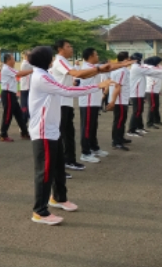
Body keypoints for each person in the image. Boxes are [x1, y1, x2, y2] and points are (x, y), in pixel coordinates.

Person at [27, 46, 113, 225]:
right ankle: (39, 211)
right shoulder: (40, 76)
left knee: (58, 168)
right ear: (47, 59)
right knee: (44, 172)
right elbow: (66, 91)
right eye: (51, 56)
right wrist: (97, 86)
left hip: (52, 128)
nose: (53, 58)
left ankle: (58, 198)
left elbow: (64, 86)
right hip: (43, 131)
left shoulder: (45, 73)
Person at [50, 40, 118, 171]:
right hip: (62, 102)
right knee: (62, 135)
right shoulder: (60, 61)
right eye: (68, 46)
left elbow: (75, 77)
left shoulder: (66, 62)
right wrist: (99, 69)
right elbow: (78, 74)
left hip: (68, 102)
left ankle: (70, 160)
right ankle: (62, 165)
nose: (71, 48)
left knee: (70, 134)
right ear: (60, 49)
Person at [78, 48, 111, 163]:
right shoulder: (87, 68)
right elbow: (108, 67)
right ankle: (85, 153)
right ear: (91, 56)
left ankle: (94, 147)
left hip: (94, 102)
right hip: (87, 102)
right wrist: (124, 63)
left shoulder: (94, 67)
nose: (98, 57)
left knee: (93, 127)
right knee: (86, 128)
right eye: (96, 54)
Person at [127, 52, 162, 137]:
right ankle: (131, 130)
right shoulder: (137, 68)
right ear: (138, 59)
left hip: (139, 92)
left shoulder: (138, 67)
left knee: (139, 111)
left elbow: (152, 71)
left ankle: (139, 127)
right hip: (137, 93)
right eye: (140, 59)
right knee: (137, 112)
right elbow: (151, 72)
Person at [0, 53, 33, 142]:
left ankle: (24, 132)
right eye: (13, 59)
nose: (14, 61)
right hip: (8, 94)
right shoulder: (6, 68)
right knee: (8, 115)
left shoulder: (10, 68)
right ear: (8, 60)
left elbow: (21, 74)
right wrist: (32, 70)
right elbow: (20, 74)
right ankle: (3, 134)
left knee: (19, 114)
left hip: (12, 95)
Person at [108, 52, 133, 151]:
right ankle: (116, 141)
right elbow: (118, 87)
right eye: (129, 59)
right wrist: (113, 101)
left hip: (122, 99)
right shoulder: (121, 71)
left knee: (121, 121)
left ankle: (120, 138)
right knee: (119, 121)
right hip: (120, 100)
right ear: (125, 60)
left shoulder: (118, 69)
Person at [144, 56, 162, 129]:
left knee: (156, 106)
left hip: (156, 90)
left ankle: (157, 120)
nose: (159, 64)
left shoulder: (156, 68)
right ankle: (150, 123)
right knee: (152, 106)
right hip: (151, 90)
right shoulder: (150, 68)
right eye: (158, 62)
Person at [19, 50, 33, 122]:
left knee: (29, 105)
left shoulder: (29, 63)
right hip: (25, 87)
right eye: (29, 56)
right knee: (24, 106)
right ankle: (23, 122)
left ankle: (27, 120)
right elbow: (34, 69)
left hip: (29, 87)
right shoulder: (25, 64)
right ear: (25, 56)